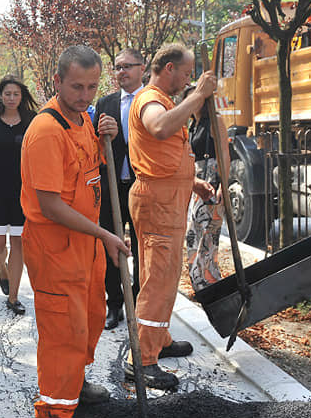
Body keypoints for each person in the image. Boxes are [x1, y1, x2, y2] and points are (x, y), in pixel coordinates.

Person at [21, 45, 131, 418]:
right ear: (57, 82)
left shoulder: (84, 121)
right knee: (62, 333)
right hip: (55, 250)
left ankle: (75, 384)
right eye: (76, 87)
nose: (85, 97)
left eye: (91, 87)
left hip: (85, 246)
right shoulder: (46, 132)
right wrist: (104, 235)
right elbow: (51, 205)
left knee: (88, 320)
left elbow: (92, 170)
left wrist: (107, 138)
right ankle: (55, 408)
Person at [125, 43, 217, 390]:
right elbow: (160, 129)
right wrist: (198, 98)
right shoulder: (150, 100)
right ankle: (143, 360)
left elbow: (160, 153)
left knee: (161, 275)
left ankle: (157, 338)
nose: (189, 79)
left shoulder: (164, 99)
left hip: (169, 199)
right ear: (168, 69)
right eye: (186, 72)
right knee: (158, 280)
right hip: (158, 203)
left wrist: (191, 182)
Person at [94, 48, 146, 330]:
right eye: (117, 67)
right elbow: (94, 144)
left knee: (141, 249)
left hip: (142, 187)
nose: (121, 72)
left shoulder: (152, 102)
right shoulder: (106, 103)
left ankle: (138, 305)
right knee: (111, 245)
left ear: (142, 67)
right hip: (111, 186)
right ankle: (113, 304)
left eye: (127, 66)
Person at [0, 75, 38, 315]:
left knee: (18, 243)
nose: (12, 98)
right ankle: (2, 269)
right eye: (7, 94)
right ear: (0, 96)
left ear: (22, 96)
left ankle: (13, 298)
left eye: (16, 94)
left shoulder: (33, 120)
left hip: (22, 189)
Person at [183, 84, 231, 292]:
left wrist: (223, 184)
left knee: (208, 233)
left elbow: (224, 154)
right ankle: (198, 278)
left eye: (196, 97)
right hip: (196, 180)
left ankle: (208, 280)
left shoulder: (215, 120)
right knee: (194, 231)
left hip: (212, 179)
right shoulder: (193, 124)